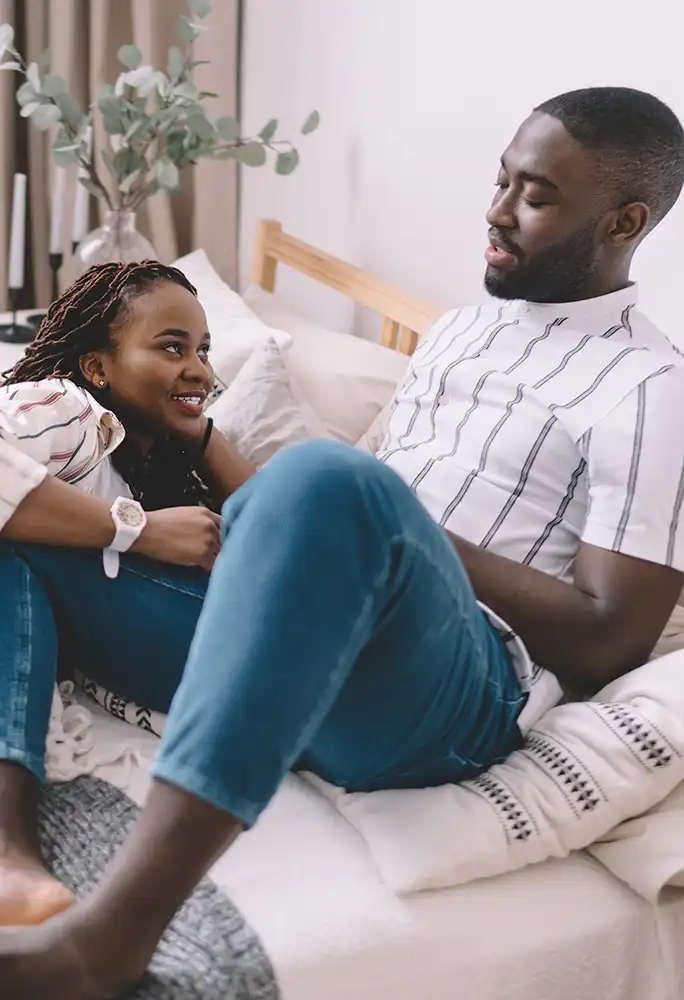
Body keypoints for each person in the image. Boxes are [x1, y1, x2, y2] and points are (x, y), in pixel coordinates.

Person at [2, 85, 684, 999]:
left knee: (327, 477)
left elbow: (613, 640)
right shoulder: (458, 333)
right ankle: (11, 852)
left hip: (448, 689)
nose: (496, 210)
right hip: (303, 629)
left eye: (537, 194)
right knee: (21, 516)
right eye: (502, 179)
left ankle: (110, 939)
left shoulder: (648, 389)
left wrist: (396, 525)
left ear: (623, 220)